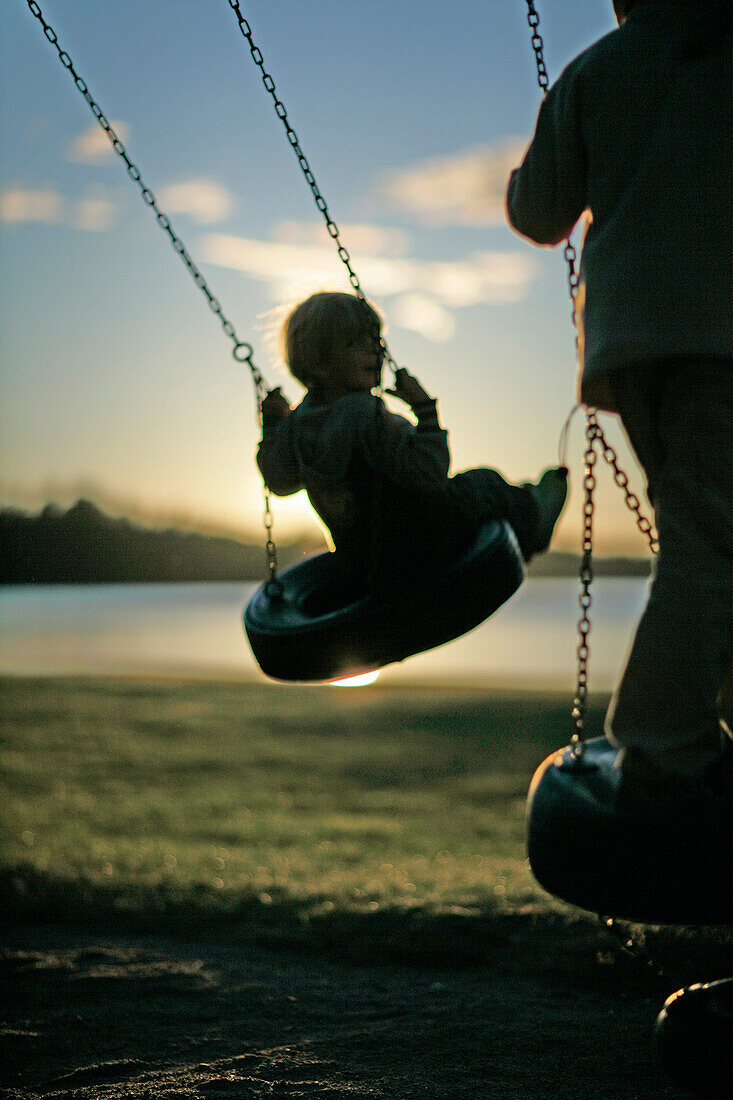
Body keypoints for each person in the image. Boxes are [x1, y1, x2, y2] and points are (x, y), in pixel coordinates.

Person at [506, 0, 733, 794]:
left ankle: (704, 713)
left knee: (703, 531)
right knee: (713, 531)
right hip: (717, 336)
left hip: (631, 348)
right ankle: (662, 734)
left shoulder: (595, 71)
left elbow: (535, 212)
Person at [257, 290, 567, 589]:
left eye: (375, 338)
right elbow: (430, 474)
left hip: (365, 560)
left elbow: (280, 482)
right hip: (427, 541)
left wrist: (272, 428)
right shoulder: (367, 413)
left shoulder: (296, 426)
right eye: (355, 342)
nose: (375, 350)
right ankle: (533, 518)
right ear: (320, 364)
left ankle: (525, 518)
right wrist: (425, 411)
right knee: (484, 484)